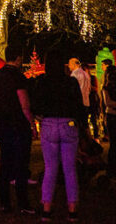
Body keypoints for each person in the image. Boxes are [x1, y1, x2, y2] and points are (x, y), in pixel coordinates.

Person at [32, 50, 85, 222]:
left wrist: (40, 117)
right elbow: (79, 106)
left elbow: (35, 105)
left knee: (50, 168)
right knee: (70, 169)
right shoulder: (71, 82)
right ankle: (72, 209)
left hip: (48, 124)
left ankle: (47, 208)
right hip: (68, 124)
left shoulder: (42, 82)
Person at [0, 45, 36, 215]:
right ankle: (22, 202)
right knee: (21, 163)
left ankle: (4, 202)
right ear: (18, 58)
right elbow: (24, 104)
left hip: (4, 124)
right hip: (19, 124)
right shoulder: (18, 77)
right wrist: (31, 123)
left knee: (5, 162)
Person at [103, 64, 116, 179]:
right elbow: (108, 103)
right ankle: (111, 169)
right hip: (112, 116)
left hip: (111, 114)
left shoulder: (107, 88)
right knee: (113, 144)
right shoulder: (106, 88)